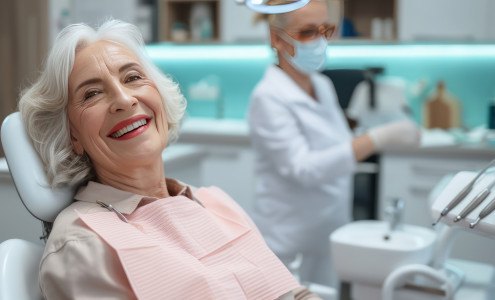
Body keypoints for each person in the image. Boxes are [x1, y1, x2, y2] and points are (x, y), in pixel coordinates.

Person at [18, 19, 320, 299]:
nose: (124, 100)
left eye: (133, 77)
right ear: (73, 136)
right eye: (92, 94)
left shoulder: (216, 203)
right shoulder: (83, 244)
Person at [248, 0, 421, 287]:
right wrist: (376, 138)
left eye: (325, 30)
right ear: (276, 39)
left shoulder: (322, 85)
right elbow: (304, 168)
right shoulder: (267, 97)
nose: (318, 42)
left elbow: (338, 146)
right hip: (289, 239)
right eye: (307, 32)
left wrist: (373, 128)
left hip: (329, 231)